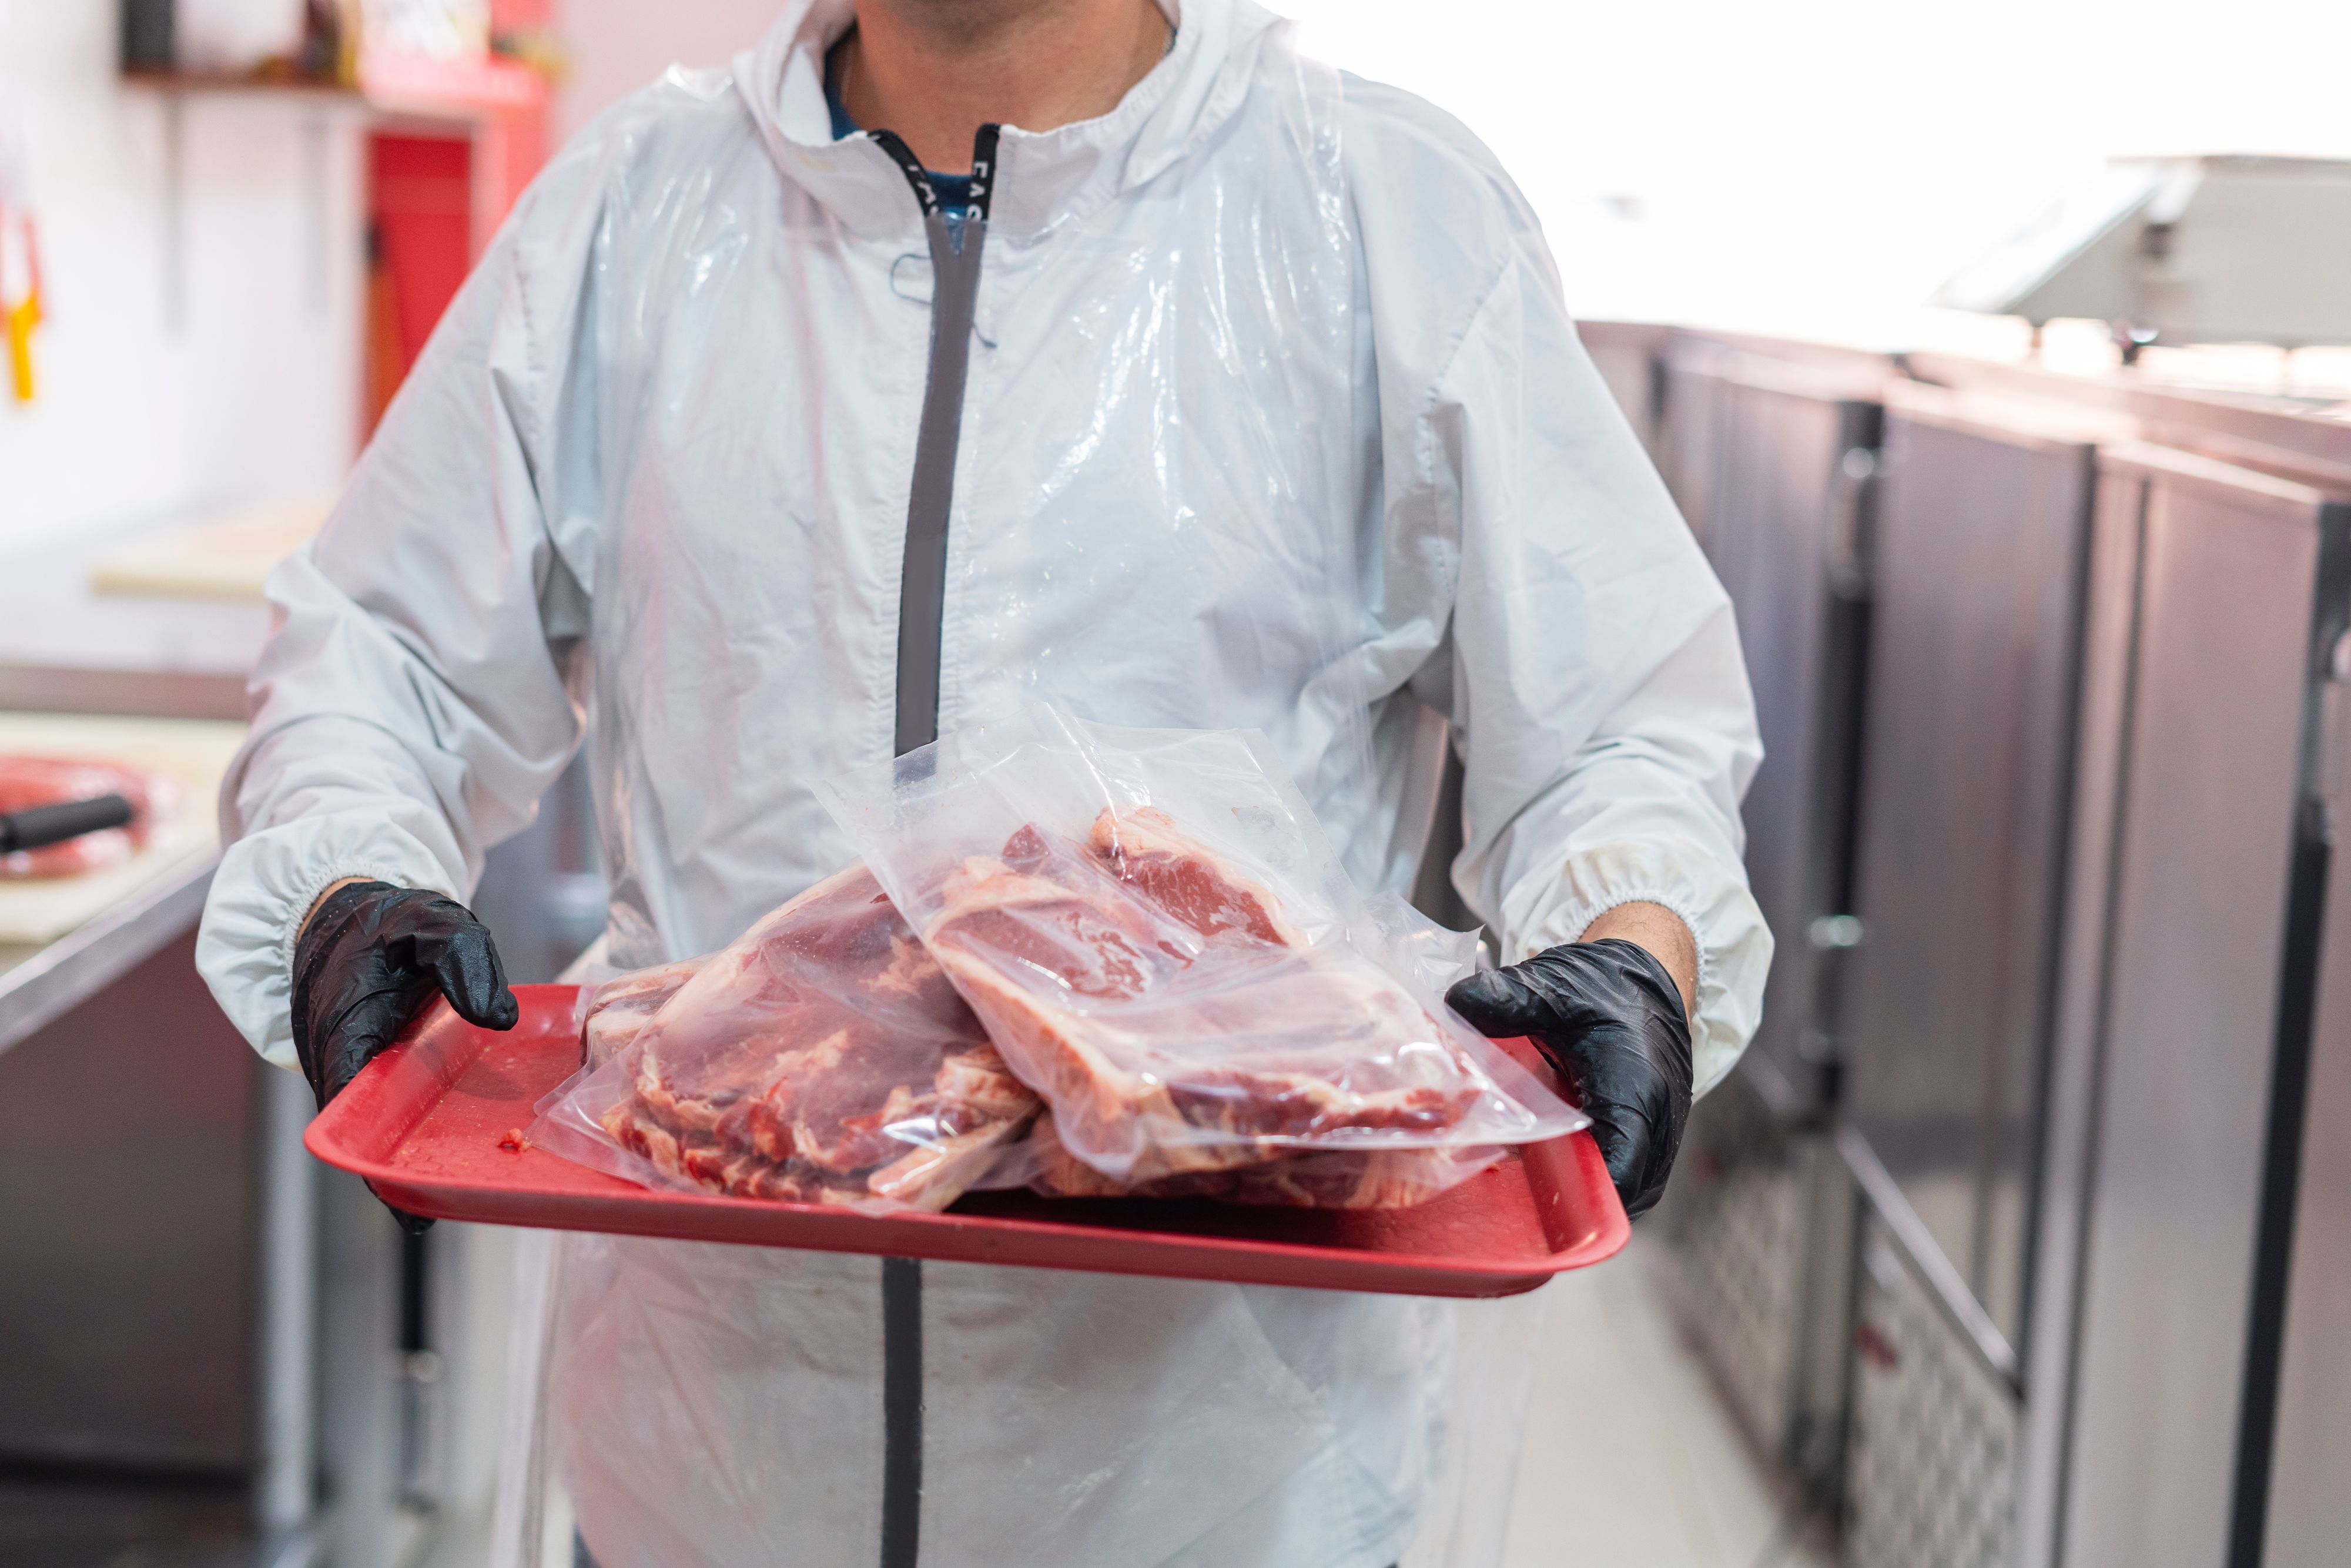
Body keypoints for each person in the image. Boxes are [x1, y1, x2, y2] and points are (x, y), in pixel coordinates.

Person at [197, 0, 1771, 1562]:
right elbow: (383, 650)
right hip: (714, 1462)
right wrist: (343, 878)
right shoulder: (631, 212)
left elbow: (1618, 720)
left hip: (1220, 1479)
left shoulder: (1380, 211)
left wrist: (1634, 941)